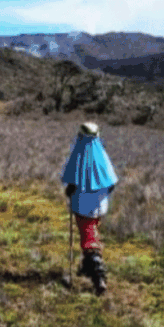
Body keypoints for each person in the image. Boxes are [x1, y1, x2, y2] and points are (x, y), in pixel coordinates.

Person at [61, 122, 118, 295]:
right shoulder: (102, 154)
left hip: (82, 205)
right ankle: (86, 267)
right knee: (92, 231)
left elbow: (71, 179)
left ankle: (98, 275)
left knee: (88, 238)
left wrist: (71, 189)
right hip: (101, 205)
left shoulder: (78, 154)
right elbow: (111, 182)